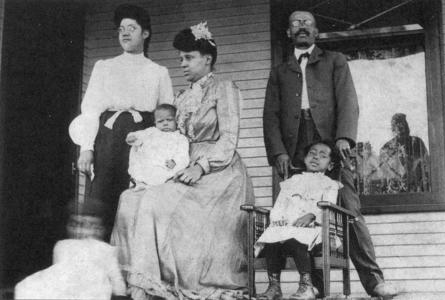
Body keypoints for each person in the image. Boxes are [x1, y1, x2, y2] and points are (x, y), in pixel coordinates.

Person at [111, 22, 255, 300]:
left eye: (188, 57)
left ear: (208, 59)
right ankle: (137, 285)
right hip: (181, 164)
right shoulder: (180, 96)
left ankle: (163, 283)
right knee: (130, 199)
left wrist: (200, 166)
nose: (182, 64)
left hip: (218, 172)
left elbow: (229, 138)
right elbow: (169, 138)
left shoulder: (225, 88)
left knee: (155, 201)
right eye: (180, 59)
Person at [263, 11, 399, 298]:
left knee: (347, 208)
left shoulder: (335, 61)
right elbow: (270, 116)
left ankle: (374, 281)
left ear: (317, 32)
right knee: (298, 211)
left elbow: (348, 100)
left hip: (332, 147)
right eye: (295, 23)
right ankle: (313, 286)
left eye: (307, 22)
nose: (301, 26)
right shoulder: (279, 71)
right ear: (288, 33)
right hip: (295, 148)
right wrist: (278, 153)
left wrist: (344, 137)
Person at [68, 4, 174, 239]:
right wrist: (86, 148)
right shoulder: (105, 67)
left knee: (138, 201)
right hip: (108, 137)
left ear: (145, 33)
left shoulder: (159, 72)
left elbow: (166, 116)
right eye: (121, 29)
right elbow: (91, 110)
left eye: (132, 28)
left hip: (143, 138)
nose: (125, 33)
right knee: (102, 199)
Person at [255, 140, 342, 300]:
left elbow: (329, 206)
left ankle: (306, 286)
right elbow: (279, 205)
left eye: (322, 156)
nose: (316, 158)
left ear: (330, 165)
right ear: (305, 158)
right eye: (312, 153)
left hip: (314, 229)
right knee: (272, 240)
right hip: (288, 227)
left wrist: (312, 215)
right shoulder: (292, 182)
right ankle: (274, 286)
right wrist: (278, 219)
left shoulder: (330, 184)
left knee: (297, 239)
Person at [14, 198, 126, 300]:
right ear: (69, 227)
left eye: (92, 226)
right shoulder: (62, 246)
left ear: (100, 230)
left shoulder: (106, 250)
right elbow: (56, 275)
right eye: (77, 225)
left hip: (94, 293)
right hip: (66, 292)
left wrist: (120, 293)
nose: (83, 231)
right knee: (25, 287)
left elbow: (116, 280)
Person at [127, 103, 190, 187]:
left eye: (169, 120)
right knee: (140, 166)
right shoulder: (152, 131)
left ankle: (151, 184)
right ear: (155, 123)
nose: (165, 123)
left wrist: (175, 161)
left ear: (176, 121)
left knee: (161, 176)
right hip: (148, 163)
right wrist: (133, 137)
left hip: (165, 166)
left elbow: (183, 154)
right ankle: (139, 181)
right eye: (160, 121)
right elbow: (140, 135)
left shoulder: (180, 138)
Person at [379, 113, 429, 193]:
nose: (400, 127)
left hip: (417, 190)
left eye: (403, 124)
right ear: (392, 129)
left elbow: (427, 165)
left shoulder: (417, 142)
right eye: (396, 125)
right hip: (395, 191)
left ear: (406, 126)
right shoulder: (386, 148)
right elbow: (383, 173)